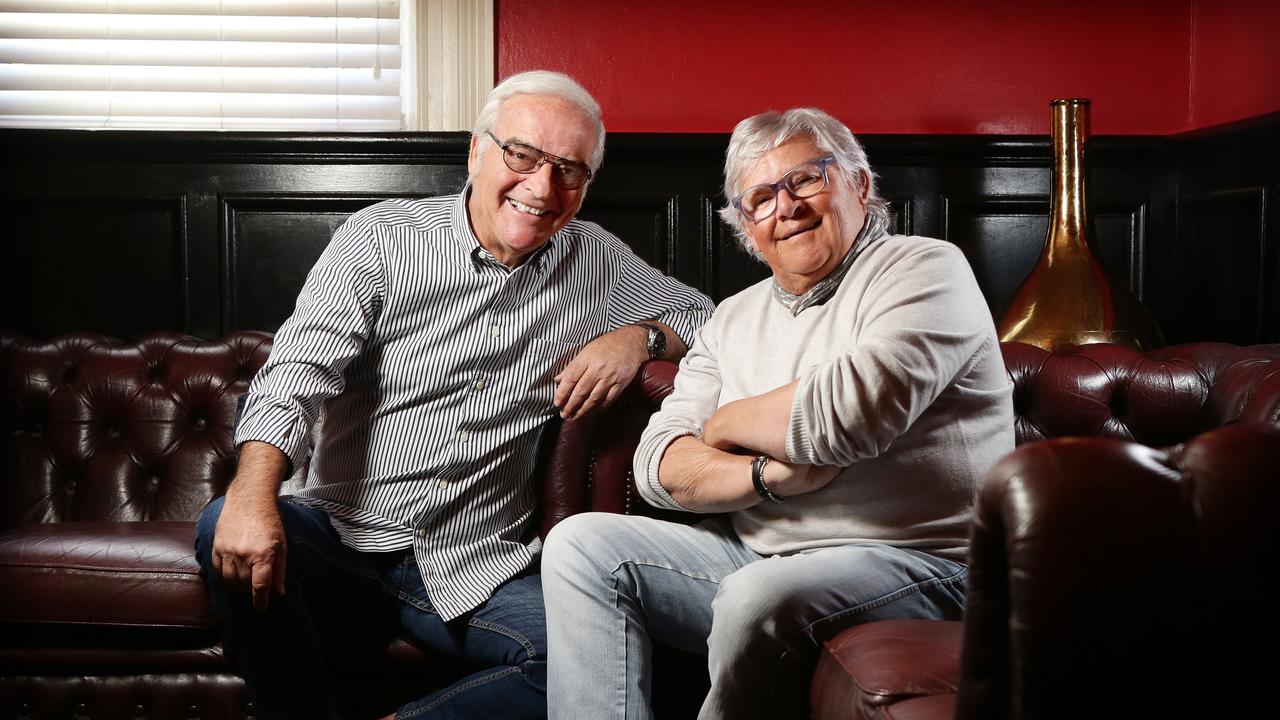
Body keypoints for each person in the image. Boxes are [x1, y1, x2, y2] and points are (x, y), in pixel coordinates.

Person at [194, 70, 714, 720]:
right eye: (521, 156)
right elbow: (298, 371)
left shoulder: (600, 262)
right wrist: (250, 497)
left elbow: (702, 316)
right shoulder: (381, 237)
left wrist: (641, 337)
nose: (542, 187)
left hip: (477, 561)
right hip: (338, 538)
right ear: (476, 151)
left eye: (569, 170)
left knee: (589, 660)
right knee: (223, 526)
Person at [542, 107, 1015, 719]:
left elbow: (845, 417)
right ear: (745, 225)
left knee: (755, 594)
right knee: (580, 545)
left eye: (806, 179)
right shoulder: (732, 317)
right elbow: (658, 467)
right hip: (759, 560)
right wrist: (768, 477)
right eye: (759, 198)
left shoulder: (924, 268)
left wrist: (721, 423)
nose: (785, 207)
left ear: (860, 185)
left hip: (927, 565)